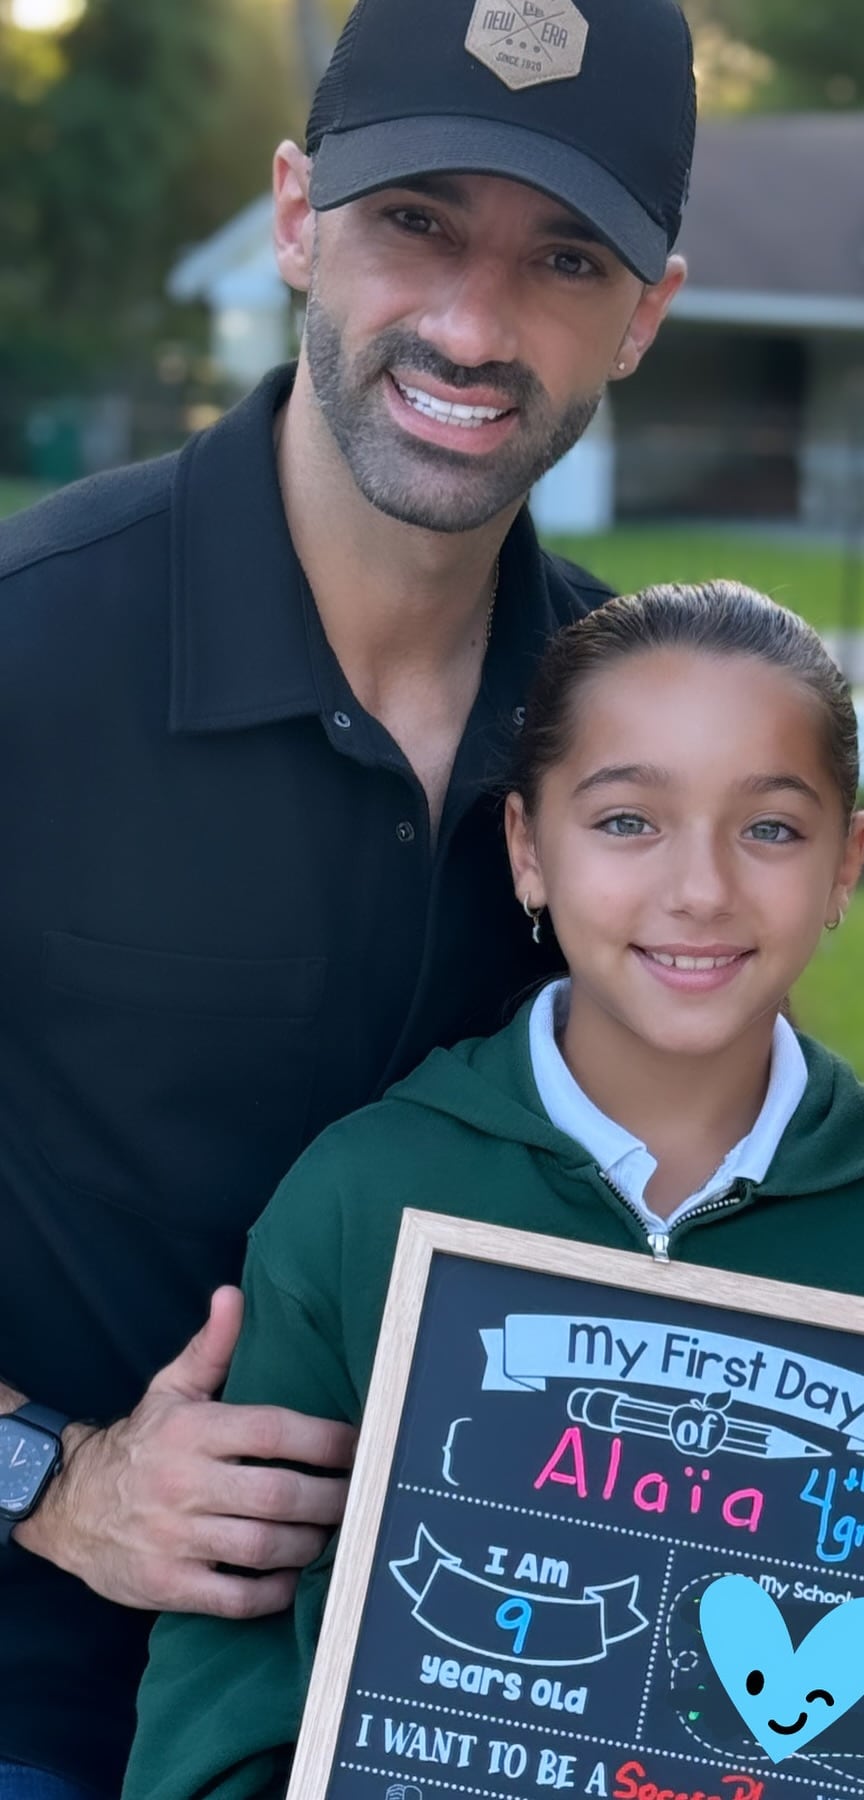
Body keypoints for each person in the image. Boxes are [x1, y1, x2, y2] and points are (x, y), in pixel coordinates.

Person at [0, 0, 695, 1792]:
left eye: (560, 258)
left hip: (475, 1720)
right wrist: (50, 1479)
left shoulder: (628, 741)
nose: (473, 323)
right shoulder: (27, 648)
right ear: (301, 214)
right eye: (417, 224)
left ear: (648, 313)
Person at [117, 580, 864, 1799]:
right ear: (528, 849)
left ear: (847, 864)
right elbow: (224, 1686)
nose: (699, 890)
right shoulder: (366, 1196)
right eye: (629, 822)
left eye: (771, 829)